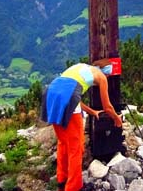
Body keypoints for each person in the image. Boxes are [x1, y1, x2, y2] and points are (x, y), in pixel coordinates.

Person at [41, 61, 123, 191]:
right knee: (76, 147)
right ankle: (74, 187)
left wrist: (92, 112)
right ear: (107, 72)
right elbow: (107, 107)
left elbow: (75, 98)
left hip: (51, 93)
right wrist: (117, 119)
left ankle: (62, 179)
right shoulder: (102, 77)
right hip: (67, 96)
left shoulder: (80, 67)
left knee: (63, 142)